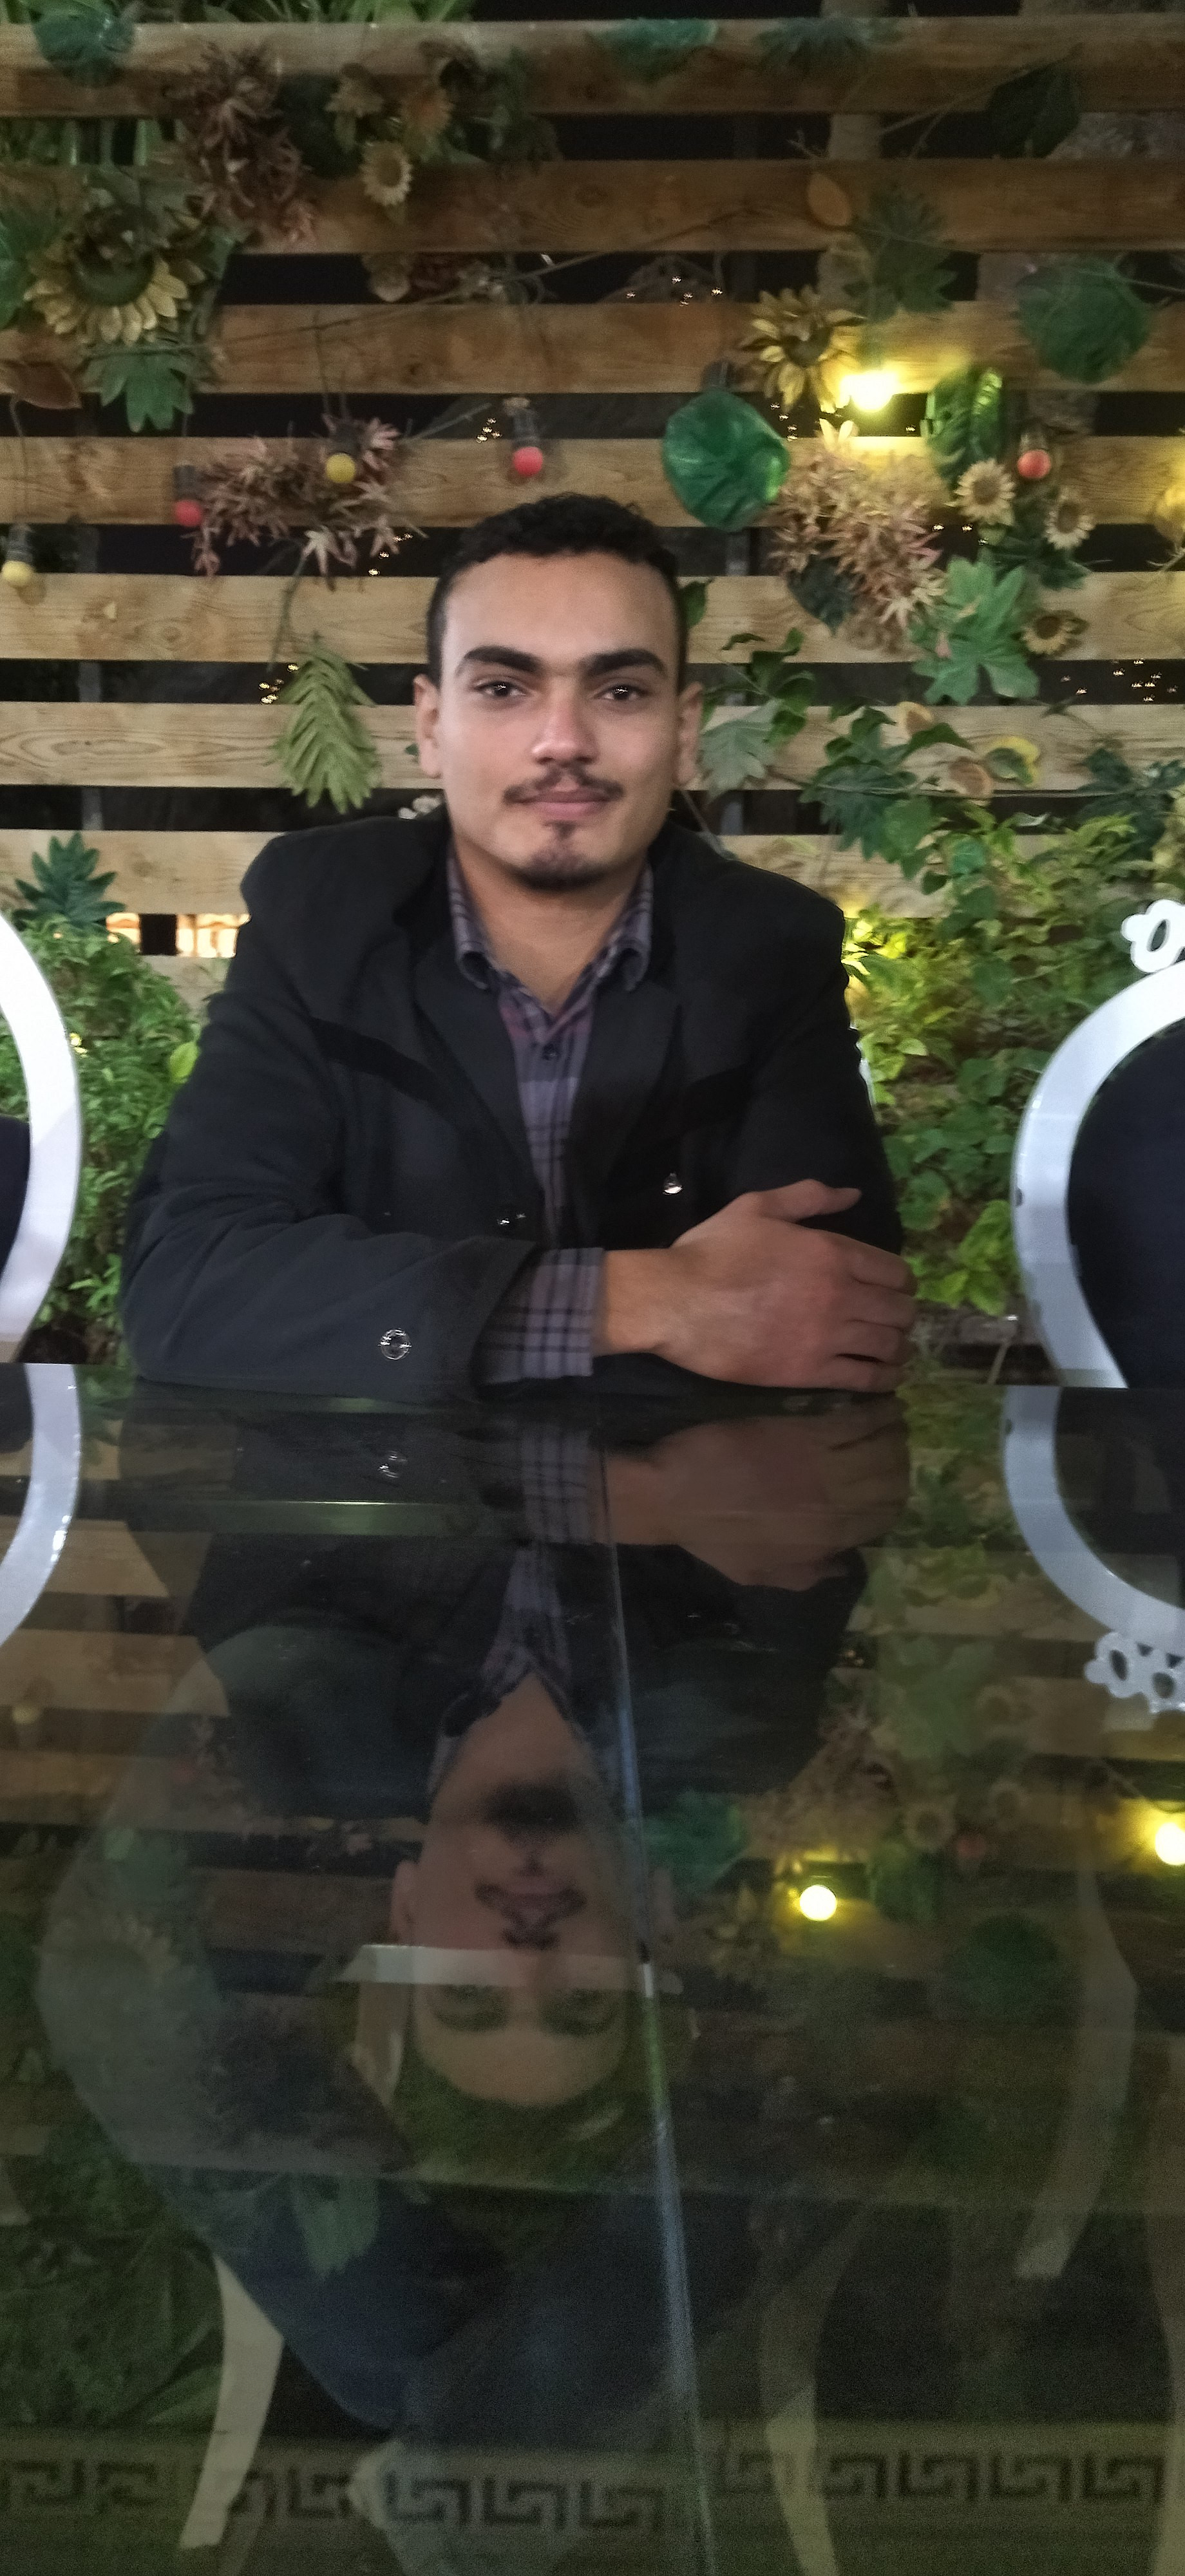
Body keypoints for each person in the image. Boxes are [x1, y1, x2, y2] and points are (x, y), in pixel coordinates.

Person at [121, 493, 913, 1403]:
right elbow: (189, 1289)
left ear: (684, 730)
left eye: (620, 691)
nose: (563, 741)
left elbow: (831, 1320)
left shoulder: (770, 948)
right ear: (430, 726)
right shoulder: (320, 919)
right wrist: (641, 1300)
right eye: (504, 689)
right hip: (372, 1491)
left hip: (687, 1495)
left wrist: (415, 1319)